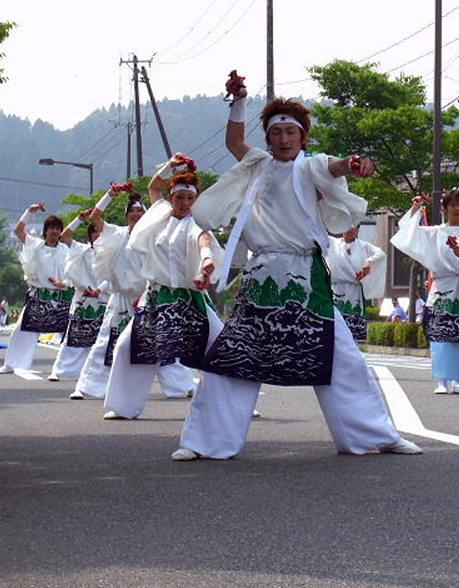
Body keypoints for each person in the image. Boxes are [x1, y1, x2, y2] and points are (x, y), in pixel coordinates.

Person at [171, 75, 421, 461]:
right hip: (264, 275)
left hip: (308, 277)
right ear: (269, 139)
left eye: (291, 132)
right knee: (235, 355)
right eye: (277, 133)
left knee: (342, 356)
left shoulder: (312, 166)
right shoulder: (257, 165)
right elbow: (235, 143)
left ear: (303, 137)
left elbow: (334, 167)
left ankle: (374, 436)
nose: (284, 139)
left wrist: (353, 166)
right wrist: (239, 102)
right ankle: (204, 442)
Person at [101, 159, 223, 419]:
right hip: (158, 296)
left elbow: (203, 242)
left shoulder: (197, 224)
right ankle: (122, 407)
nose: (185, 202)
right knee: (128, 347)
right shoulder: (159, 216)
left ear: (196, 199)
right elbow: (155, 186)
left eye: (190, 197)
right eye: (180, 196)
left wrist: (207, 261)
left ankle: (237, 402)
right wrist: (170, 165)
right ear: (171, 197)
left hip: (190, 298)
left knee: (222, 347)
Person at [69, 185, 195, 402]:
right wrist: (109, 195)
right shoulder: (116, 233)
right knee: (106, 342)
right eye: (133, 210)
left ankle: (182, 384)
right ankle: (88, 386)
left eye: (141, 211)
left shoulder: (152, 234)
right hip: (120, 299)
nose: (137, 214)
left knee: (160, 341)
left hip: (147, 298)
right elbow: (95, 217)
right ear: (127, 214)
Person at [392, 190, 459, 394]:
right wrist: (416, 208)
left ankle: (457, 379)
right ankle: (441, 380)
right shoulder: (436, 232)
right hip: (441, 286)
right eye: (452, 205)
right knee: (440, 334)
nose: (456, 209)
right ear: (445, 208)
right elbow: (408, 234)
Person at [0, 204, 74, 375]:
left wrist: (64, 283)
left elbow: (74, 273)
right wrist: (29, 211)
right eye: (51, 228)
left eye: (57, 228)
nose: (54, 231)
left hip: (61, 297)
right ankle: (12, 363)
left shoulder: (66, 251)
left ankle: (68, 368)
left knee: (69, 332)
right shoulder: (36, 245)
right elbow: (19, 231)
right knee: (22, 330)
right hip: (39, 295)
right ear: (45, 231)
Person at [46, 215, 108, 382]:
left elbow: (114, 276)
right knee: (73, 337)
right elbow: (65, 235)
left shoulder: (111, 253)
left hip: (103, 299)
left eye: (100, 231)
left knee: (98, 340)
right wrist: (79, 219)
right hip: (83, 299)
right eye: (94, 231)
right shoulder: (82, 250)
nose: (97, 234)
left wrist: (99, 289)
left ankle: (91, 374)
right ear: (90, 235)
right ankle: (59, 370)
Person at [327, 225, 386, 341]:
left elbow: (381, 254)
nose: (349, 230)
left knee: (352, 330)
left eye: (352, 228)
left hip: (354, 289)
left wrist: (369, 261)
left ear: (357, 230)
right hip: (336, 289)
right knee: (335, 326)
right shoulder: (333, 243)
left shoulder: (363, 246)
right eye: (346, 226)